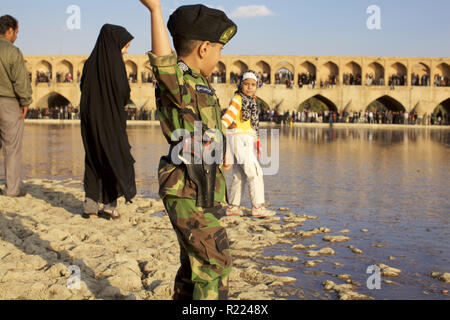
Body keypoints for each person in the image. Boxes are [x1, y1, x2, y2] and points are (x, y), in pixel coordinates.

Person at [140, 0, 237, 300]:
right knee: (214, 261)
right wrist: (155, 10)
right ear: (204, 48)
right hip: (185, 185)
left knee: (193, 264)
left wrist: (225, 152)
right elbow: (163, 59)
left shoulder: (202, 83)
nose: (220, 59)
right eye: (220, 50)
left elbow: (209, 124)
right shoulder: (177, 81)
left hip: (206, 186)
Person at [79, 24, 137, 220]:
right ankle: (110, 206)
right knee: (113, 156)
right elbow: (123, 93)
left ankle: (90, 203)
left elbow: (83, 89)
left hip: (90, 119)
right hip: (111, 120)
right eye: (125, 46)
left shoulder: (89, 63)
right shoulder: (116, 65)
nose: (126, 50)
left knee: (93, 155)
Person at [221, 70, 275, 218]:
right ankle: (257, 206)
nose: (250, 88)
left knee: (239, 175)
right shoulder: (238, 98)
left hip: (246, 138)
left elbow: (253, 126)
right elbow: (228, 116)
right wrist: (217, 132)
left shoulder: (251, 101)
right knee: (255, 172)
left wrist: (257, 145)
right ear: (241, 84)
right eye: (246, 84)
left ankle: (233, 207)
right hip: (239, 138)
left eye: (253, 85)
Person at [0, 15, 31, 197]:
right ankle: (12, 189)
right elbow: (20, 79)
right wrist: (25, 101)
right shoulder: (12, 51)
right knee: (11, 147)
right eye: (17, 32)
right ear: (9, 30)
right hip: (8, 102)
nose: (17, 36)